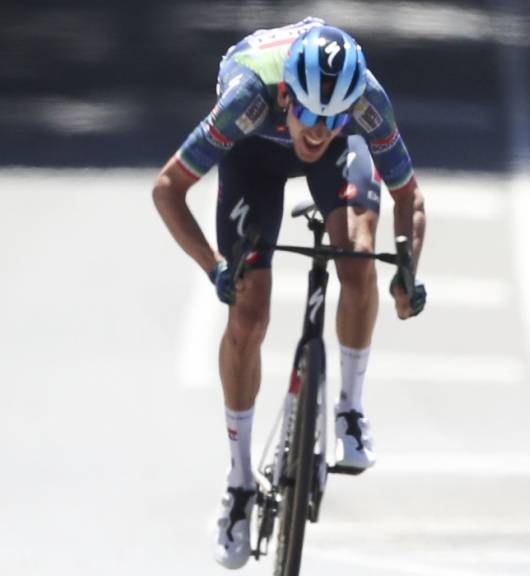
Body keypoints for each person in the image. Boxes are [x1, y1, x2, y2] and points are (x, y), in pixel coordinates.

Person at [152, 17, 427, 569]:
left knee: (359, 260)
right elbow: (168, 190)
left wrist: (408, 271)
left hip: (340, 159)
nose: (320, 130)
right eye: (311, 116)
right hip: (253, 151)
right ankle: (238, 482)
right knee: (248, 316)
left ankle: (350, 410)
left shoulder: (364, 102)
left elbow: (410, 198)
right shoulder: (247, 98)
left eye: (333, 118)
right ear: (286, 96)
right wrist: (213, 267)